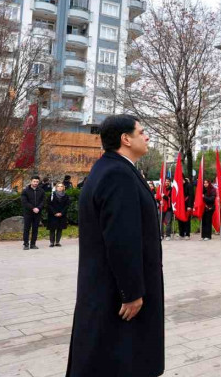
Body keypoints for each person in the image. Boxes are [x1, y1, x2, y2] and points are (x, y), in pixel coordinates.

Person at [65, 114, 164, 377]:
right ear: (126, 139)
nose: (147, 136)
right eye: (142, 132)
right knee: (119, 359)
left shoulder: (109, 168)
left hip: (105, 287)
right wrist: (131, 292)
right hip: (116, 294)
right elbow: (122, 239)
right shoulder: (118, 174)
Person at [21, 175, 45, 250]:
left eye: (37, 182)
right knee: (26, 229)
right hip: (28, 213)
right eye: (34, 181)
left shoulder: (41, 191)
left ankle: (33, 244)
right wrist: (33, 208)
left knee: (35, 229)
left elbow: (43, 201)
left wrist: (38, 208)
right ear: (31, 181)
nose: (35, 183)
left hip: (37, 213)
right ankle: (26, 244)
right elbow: (24, 202)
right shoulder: (25, 191)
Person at [47, 182, 70, 247]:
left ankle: (57, 242)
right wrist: (55, 213)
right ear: (56, 187)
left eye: (61, 186)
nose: (60, 187)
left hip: (62, 215)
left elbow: (67, 205)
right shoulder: (52, 195)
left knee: (60, 228)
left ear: (63, 188)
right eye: (58, 186)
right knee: (52, 228)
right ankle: (52, 242)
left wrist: (62, 213)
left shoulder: (66, 195)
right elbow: (49, 205)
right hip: (53, 214)